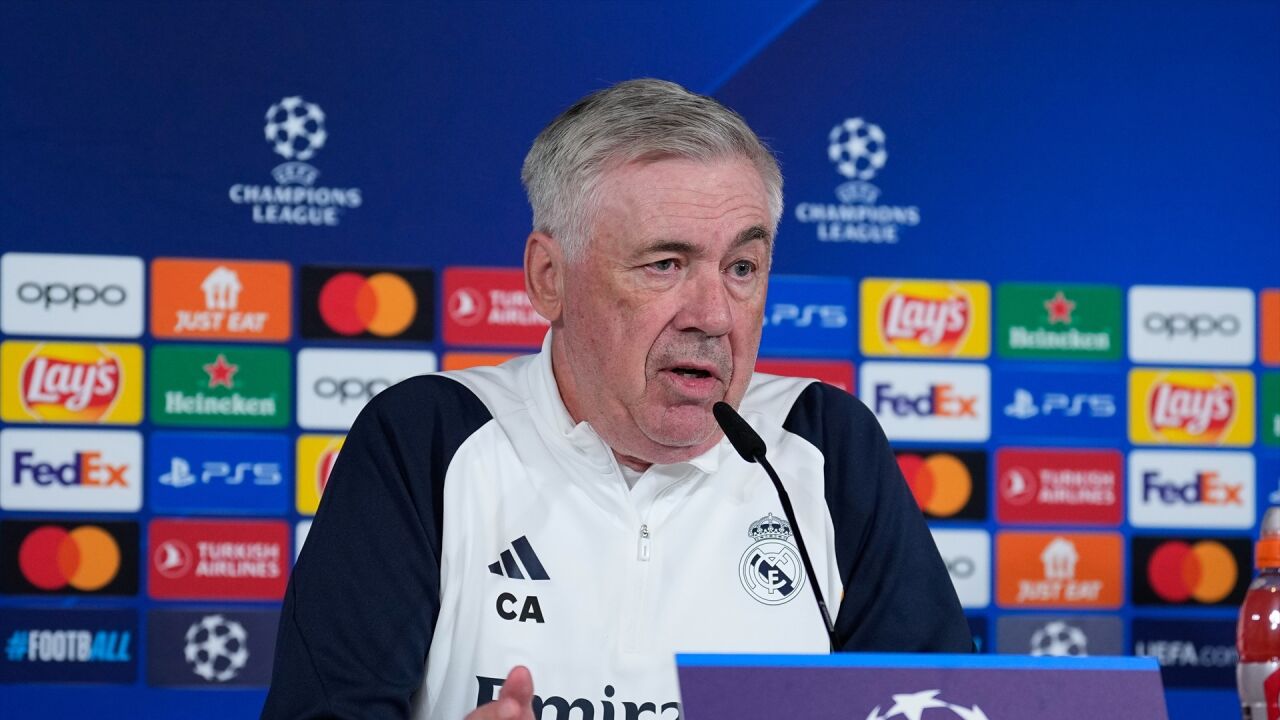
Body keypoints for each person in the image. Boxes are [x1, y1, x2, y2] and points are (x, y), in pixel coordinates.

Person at [261, 78, 971, 720]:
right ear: (549, 278)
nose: (714, 315)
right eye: (665, 264)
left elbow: (945, 707)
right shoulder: (428, 439)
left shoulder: (823, 444)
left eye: (742, 267)